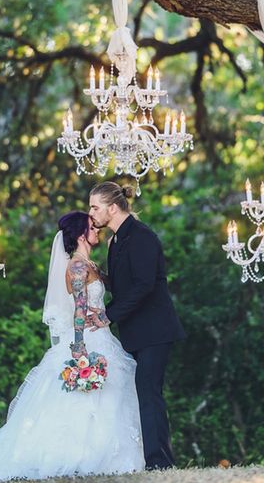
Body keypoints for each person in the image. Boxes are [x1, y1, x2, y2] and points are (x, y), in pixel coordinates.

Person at [0, 211, 144, 482]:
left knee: (109, 397)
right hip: (87, 339)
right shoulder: (77, 267)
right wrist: (79, 348)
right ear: (81, 235)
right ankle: (79, 457)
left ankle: (112, 459)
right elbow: (79, 309)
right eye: (92, 227)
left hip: (102, 335)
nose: (97, 230)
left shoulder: (87, 264)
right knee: (82, 400)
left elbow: (112, 286)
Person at [89, 182, 185, 471]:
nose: (91, 213)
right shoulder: (116, 241)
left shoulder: (142, 237)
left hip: (155, 330)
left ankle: (160, 462)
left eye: (95, 207)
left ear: (113, 208)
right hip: (136, 333)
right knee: (142, 392)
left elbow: (144, 285)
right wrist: (102, 277)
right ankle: (152, 459)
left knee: (149, 392)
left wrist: (108, 315)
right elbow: (127, 282)